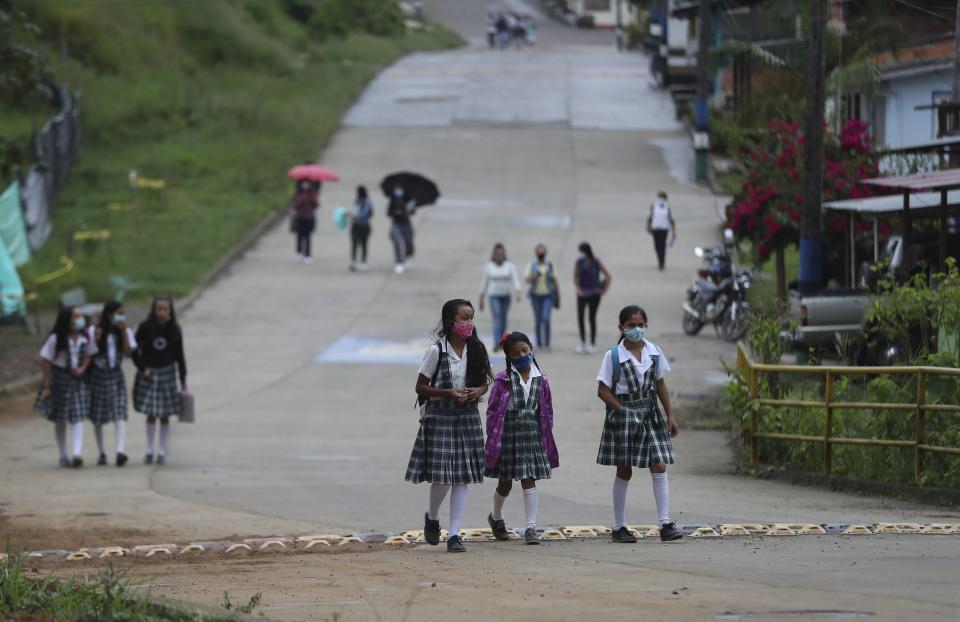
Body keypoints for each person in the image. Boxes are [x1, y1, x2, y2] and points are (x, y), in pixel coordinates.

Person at [405, 299, 492, 553]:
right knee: (442, 476)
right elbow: (420, 387)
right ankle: (432, 516)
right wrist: (447, 393)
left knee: (462, 477)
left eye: (471, 318)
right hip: (441, 415)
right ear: (450, 322)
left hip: (467, 417)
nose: (468, 323)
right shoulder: (436, 351)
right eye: (464, 318)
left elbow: (486, 381)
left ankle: (454, 534)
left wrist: (477, 391)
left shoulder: (476, 349)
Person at [595, 305, 682, 543]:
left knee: (659, 465)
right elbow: (602, 390)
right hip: (624, 415)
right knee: (624, 469)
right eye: (631, 325)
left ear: (646, 326)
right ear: (621, 328)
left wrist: (670, 415)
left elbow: (660, 383)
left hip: (649, 413)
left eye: (640, 325)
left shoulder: (654, 352)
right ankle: (619, 527)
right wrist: (621, 410)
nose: (636, 329)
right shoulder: (613, 356)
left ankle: (665, 523)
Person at [484, 331, 558, 545]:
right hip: (508, 434)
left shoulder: (541, 380)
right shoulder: (503, 380)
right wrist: (493, 436)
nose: (522, 355)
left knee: (529, 480)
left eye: (525, 350)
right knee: (504, 483)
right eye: (516, 354)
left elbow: (548, 409)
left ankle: (531, 527)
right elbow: (492, 410)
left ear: (531, 348)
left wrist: (546, 431)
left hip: (532, 433)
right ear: (509, 357)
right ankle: (496, 517)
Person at [35, 306, 97, 468]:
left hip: (77, 381)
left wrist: (83, 368)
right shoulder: (56, 339)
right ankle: (63, 454)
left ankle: (77, 452)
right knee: (61, 418)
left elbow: (90, 354)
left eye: (80, 316)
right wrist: (47, 385)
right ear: (67, 320)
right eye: (76, 317)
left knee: (77, 416)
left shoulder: (85, 338)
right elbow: (45, 360)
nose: (79, 320)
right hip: (60, 380)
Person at [133, 296, 187, 465]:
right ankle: (149, 449)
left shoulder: (175, 330)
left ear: (170, 310)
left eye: (165, 309)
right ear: (154, 310)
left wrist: (183, 379)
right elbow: (134, 350)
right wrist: (143, 368)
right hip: (150, 373)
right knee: (151, 413)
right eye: (159, 309)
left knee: (164, 414)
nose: (162, 312)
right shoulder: (145, 327)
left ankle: (162, 450)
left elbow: (180, 356)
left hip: (168, 373)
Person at [88, 300, 137, 467]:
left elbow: (129, 353)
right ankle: (101, 452)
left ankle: (120, 451)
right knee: (98, 415)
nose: (121, 317)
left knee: (119, 411)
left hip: (115, 374)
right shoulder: (94, 331)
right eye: (119, 313)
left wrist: (123, 333)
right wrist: (96, 339)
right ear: (109, 315)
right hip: (98, 375)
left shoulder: (125, 331)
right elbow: (90, 354)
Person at [478, 243, 522, 350]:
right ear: (494, 254)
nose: (499, 255)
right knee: (497, 318)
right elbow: (484, 282)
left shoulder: (509, 265)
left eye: (501, 253)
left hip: (506, 296)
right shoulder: (489, 266)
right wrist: (481, 297)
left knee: (503, 319)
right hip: (494, 296)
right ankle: (496, 342)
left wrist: (518, 291)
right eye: (497, 253)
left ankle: (503, 340)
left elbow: (515, 278)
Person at [573, 242, 611, 354]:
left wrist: (604, 290)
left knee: (591, 317)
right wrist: (578, 289)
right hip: (582, 294)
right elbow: (575, 277)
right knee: (580, 317)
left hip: (594, 293)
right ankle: (582, 342)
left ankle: (592, 343)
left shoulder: (596, 262)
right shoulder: (578, 262)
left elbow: (608, 276)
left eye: (581, 251)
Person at [524, 244, 559, 351]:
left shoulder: (550, 265)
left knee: (546, 318)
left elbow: (554, 280)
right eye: (539, 251)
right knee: (538, 319)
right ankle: (539, 343)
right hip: (536, 296)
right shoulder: (532, 265)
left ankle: (547, 343)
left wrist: (558, 295)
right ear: (536, 253)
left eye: (542, 250)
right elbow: (527, 279)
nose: (541, 253)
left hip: (548, 295)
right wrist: (535, 275)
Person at [290, 180, 320, 265]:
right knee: (300, 235)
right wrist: (302, 199)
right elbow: (295, 205)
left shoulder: (312, 195)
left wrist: (313, 198)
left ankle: (308, 255)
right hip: (300, 218)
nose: (305, 188)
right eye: (304, 186)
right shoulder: (298, 195)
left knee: (307, 237)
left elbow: (316, 205)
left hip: (309, 218)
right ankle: (299, 251)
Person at [387, 186, 415, 274]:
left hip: (406, 223)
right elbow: (388, 212)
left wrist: (408, 211)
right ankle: (399, 262)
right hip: (396, 223)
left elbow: (413, 211)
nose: (398, 191)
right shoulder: (393, 200)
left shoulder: (408, 199)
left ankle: (408, 256)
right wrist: (396, 212)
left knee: (408, 241)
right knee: (397, 241)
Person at [647, 191, 676, 271]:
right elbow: (650, 217)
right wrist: (648, 227)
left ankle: (661, 263)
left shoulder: (668, 208)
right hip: (655, 229)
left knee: (662, 246)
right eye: (659, 197)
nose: (660, 199)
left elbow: (672, 220)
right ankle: (660, 260)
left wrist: (674, 231)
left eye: (662, 197)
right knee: (656, 247)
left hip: (664, 230)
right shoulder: (653, 207)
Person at [349, 185, 373, 271]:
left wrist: (354, 215)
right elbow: (354, 210)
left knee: (364, 244)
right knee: (354, 244)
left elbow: (364, 214)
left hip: (364, 226)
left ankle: (363, 262)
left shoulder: (367, 202)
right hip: (355, 225)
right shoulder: (356, 201)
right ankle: (354, 261)